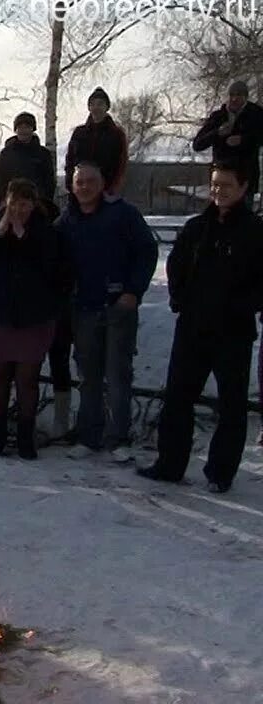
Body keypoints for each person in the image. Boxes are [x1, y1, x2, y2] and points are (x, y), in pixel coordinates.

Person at [137, 161, 263, 493]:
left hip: (233, 331)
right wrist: (179, 299)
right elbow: (176, 265)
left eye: (227, 185)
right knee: (178, 397)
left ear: (244, 188)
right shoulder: (197, 227)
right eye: (215, 185)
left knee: (231, 405)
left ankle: (221, 472)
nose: (219, 191)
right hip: (193, 327)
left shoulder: (254, 232)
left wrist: (241, 305)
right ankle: (170, 464)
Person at [59, 161, 158, 462]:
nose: (85, 187)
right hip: (84, 309)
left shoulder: (123, 214)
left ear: (102, 184)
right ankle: (89, 436)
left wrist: (133, 291)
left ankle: (119, 439)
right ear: (72, 186)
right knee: (88, 376)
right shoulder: (67, 220)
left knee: (117, 375)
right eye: (79, 182)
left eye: (90, 181)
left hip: (118, 307)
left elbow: (147, 251)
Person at [0, 178, 69, 459]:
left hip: (33, 317)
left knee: (27, 379)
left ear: (33, 205)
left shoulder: (45, 229)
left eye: (25, 204)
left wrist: (24, 235)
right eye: (15, 204)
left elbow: (52, 265)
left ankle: (26, 435)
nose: (19, 209)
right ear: (5, 202)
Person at [192, 80, 263, 208]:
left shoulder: (256, 115)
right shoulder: (218, 117)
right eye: (231, 95)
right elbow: (198, 144)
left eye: (239, 95)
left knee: (243, 221)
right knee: (221, 220)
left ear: (246, 97)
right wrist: (217, 133)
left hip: (244, 180)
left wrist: (244, 140)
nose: (234, 99)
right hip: (221, 179)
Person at [64, 88, 128, 195]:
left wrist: (112, 187)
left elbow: (121, 163)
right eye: (92, 104)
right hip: (80, 189)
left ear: (106, 107)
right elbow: (70, 159)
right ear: (89, 107)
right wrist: (70, 183)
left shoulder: (116, 134)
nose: (96, 107)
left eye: (100, 104)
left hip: (105, 190)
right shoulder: (79, 133)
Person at [0, 112, 56, 213]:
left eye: (27, 127)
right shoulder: (7, 153)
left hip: (37, 205)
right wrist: (2, 201)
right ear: (16, 130)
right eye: (20, 127)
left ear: (32, 129)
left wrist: (45, 202)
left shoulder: (43, 154)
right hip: (11, 204)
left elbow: (49, 182)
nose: (23, 130)